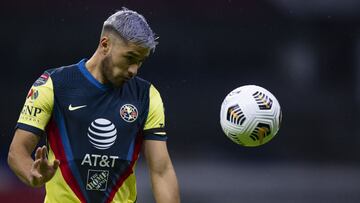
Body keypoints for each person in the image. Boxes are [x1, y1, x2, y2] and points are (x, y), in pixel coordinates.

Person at [8, 8, 180, 203]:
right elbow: (17, 151)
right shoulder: (53, 84)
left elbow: (161, 171)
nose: (134, 70)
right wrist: (32, 175)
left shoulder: (146, 96)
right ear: (105, 45)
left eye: (140, 62)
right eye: (130, 58)